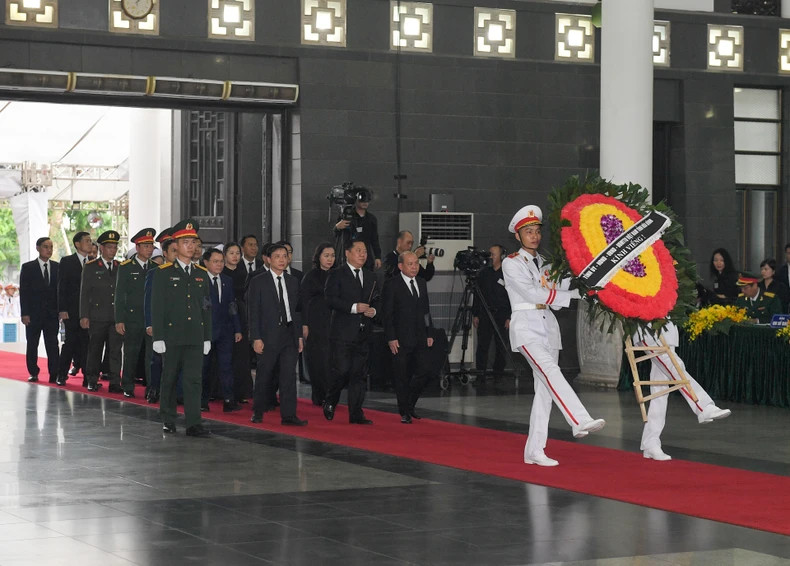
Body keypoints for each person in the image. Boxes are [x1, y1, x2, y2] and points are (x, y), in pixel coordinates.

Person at [502, 205, 606, 467]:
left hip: (548, 327)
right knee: (551, 372)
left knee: (545, 391)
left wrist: (578, 279)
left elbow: (558, 301)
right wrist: (570, 296)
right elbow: (533, 295)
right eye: (528, 231)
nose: (534, 236)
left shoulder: (548, 264)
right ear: (518, 235)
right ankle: (579, 419)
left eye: (537, 231)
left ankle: (534, 450)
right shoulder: (511, 263)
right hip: (526, 328)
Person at [634, 322, 731, 461]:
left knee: (660, 388)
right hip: (646, 328)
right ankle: (702, 406)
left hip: (666, 329)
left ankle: (651, 441)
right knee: (675, 366)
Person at [151, 219, 212, 437]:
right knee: (169, 377)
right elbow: (157, 307)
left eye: (192, 242)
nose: (190, 246)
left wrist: (207, 336)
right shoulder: (164, 273)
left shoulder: (201, 274)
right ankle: (168, 418)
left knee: (194, 380)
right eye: (185, 242)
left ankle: (194, 422)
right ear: (175, 245)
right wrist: (158, 336)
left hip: (195, 335)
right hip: (172, 335)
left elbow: (206, 307)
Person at [247, 243, 307, 426]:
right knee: (264, 375)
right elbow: (253, 312)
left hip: (288, 335)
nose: (282, 260)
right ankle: (258, 411)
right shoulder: (258, 281)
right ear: (268, 259)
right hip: (267, 336)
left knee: (288, 376)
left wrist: (298, 336)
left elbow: (297, 312)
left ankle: (289, 415)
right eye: (277, 256)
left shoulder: (293, 281)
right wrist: (256, 337)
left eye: (285, 256)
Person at [323, 239, 379, 424]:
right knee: (341, 371)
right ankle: (330, 400)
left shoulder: (371, 276)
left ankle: (356, 413)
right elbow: (330, 299)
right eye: (358, 250)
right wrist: (353, 307)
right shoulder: (337, 274)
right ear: (347, 253)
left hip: (363, 333)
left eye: (364, 251)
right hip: (342, 333)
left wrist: (374, 310)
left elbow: (377, 299)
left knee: (359, 375)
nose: (362, 254)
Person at [382, 251, 435, 424]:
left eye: (416, 263)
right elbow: (387, 314)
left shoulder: (421, 282)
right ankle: (404, 410)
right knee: (401, 375)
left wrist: (429, 333)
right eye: (410, 264)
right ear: (400, 266)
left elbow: (426, 311)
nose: (414, 267)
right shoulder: (392, 284)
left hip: (420, 336)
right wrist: (391, 337)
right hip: (400, 338)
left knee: (425, 370)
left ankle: (410, 403)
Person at [114, 228, 156, 398]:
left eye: (151, 246)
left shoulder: (156, 268)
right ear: (137, 248)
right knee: (131, 353)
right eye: (145, 246)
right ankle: (128, 384)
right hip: (132, 318)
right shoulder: (125, 268)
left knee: (151, 356)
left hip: (151, 319)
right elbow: (119, 295)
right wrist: (119, 320)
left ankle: (151, 387)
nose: (149, 249)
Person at [80, 230, 123, 393]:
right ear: (102, 248)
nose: (113, 250)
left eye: (115, 247)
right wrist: (84, 315)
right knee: (95, 349)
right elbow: (84, 293)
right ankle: (91, 379)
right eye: (110, 247)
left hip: (115, 317)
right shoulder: (91, 267)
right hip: (97, 316)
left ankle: (114, 382)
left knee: (115, 350)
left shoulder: (120, 267)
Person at [201, 248, 243, 412]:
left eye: (221, 261)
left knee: (226, 366)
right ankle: (202, 400)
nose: (219, 265)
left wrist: (237, 329)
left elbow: (232, 306)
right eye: (215, 261)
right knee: (204, 367)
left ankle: (228, 399)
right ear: (206, 262)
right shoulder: (200, 279)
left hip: (225, 331)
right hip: (206, 331)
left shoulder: (227, 280)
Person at [19, 237, 59, 383]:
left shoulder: (57, 267)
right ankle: (33, 372)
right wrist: (25, 313)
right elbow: (24, 292)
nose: (49, 249)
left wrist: (60, 311)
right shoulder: (28, 267)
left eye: (51, 247)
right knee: (32, 344)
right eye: (45, 246)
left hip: (52, 314)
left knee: (53, 345)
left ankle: (54, 373)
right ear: (37, 248)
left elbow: (60, 292)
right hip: (33, 314)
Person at [300, 242, 335, 406]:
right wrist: (304, 324)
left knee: (331, 360)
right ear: (318, 257)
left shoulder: (337, 275)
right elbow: (303, 301)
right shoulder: (311, 276)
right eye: (326, 255)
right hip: (315, 323)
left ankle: (329, 393)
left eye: (332, 256)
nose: (330, 259)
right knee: (317, 359)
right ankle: (318, 393)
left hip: (333, 322)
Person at [56, 231, 92, 386]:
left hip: (88, 312)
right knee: (70, 343)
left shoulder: (93, 263)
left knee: (87, 344)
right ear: (77, 244)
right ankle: (61, 374)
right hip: (71, 310)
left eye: (91, 241)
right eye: (87, 241)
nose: (90, 243)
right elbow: (61, 286)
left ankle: (87, 376)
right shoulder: (67, 261)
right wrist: (62, 309)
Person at [145, 229, 176, 403]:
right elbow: (149, 301)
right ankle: (154, 388)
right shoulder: (155, 273)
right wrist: (150, 323)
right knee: (157, 359)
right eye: (173, 251)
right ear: (164, 253)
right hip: (161, 324)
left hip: (178, 325)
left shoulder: (187, 272)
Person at [473, 244, 512, 379]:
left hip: (502, 314)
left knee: (501, 346)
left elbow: (512, 297)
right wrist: (476, 314)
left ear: (501, 256)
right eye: (489, 254)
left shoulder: (507, 274)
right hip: (485, 314)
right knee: (482, 346)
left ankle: (498, 374)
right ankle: (480, 374)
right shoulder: (484, 273)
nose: (490, 257)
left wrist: (509, 317)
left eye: (493, 254)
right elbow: (478, 295)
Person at [222, 242, 253, 404]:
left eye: (237, 253)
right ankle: (223, 390)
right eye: (231, 253)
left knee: (241, 356)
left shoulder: (244, 273)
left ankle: (241, 391)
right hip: (225, 316)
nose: (235, 256)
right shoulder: (221, 273)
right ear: (225, 255)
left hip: (242, 315)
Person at [333, 188, 382, 271]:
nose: (365, 203)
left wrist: (377, 256)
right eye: (362, 200)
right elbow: (336, 235)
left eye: (367, 201)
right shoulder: (346, 215)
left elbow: (375, 239)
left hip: (366, 256)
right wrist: (337, 227)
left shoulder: (371, 219)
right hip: (349, 254)